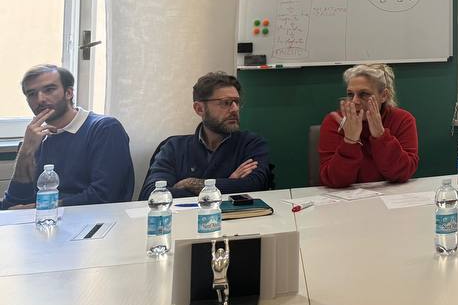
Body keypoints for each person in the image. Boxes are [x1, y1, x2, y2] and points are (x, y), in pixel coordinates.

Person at [1, 65, 133, 209]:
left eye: (49, 90)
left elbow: (105, 196)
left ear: (68, 93)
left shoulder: (104, 128)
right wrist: (26, 151)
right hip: (40, 220)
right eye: (32, 94)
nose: (40, 99)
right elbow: (12, 204)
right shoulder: (34, 138)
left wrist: (36, 209)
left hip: (93, 219)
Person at [139, 72, 271, 199]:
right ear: (199, 109)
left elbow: (255, 185)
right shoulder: (174, 147)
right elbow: (152, 193)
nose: (235, 109)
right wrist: (228, 184)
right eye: (226, 102)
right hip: (184, 216)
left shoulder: (251, 144)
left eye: (237, 102)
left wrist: (191, 184)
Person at [317, 63, 419, 187]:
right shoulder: (335, 121)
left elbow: (402, 174)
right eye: (350, 94)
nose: (354, 101)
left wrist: (381, 136)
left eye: (364, 94)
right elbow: (333, 180)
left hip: (390, 194)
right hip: (347, 197)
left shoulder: (402, 120)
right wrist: (350, 141)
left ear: (383, 96)